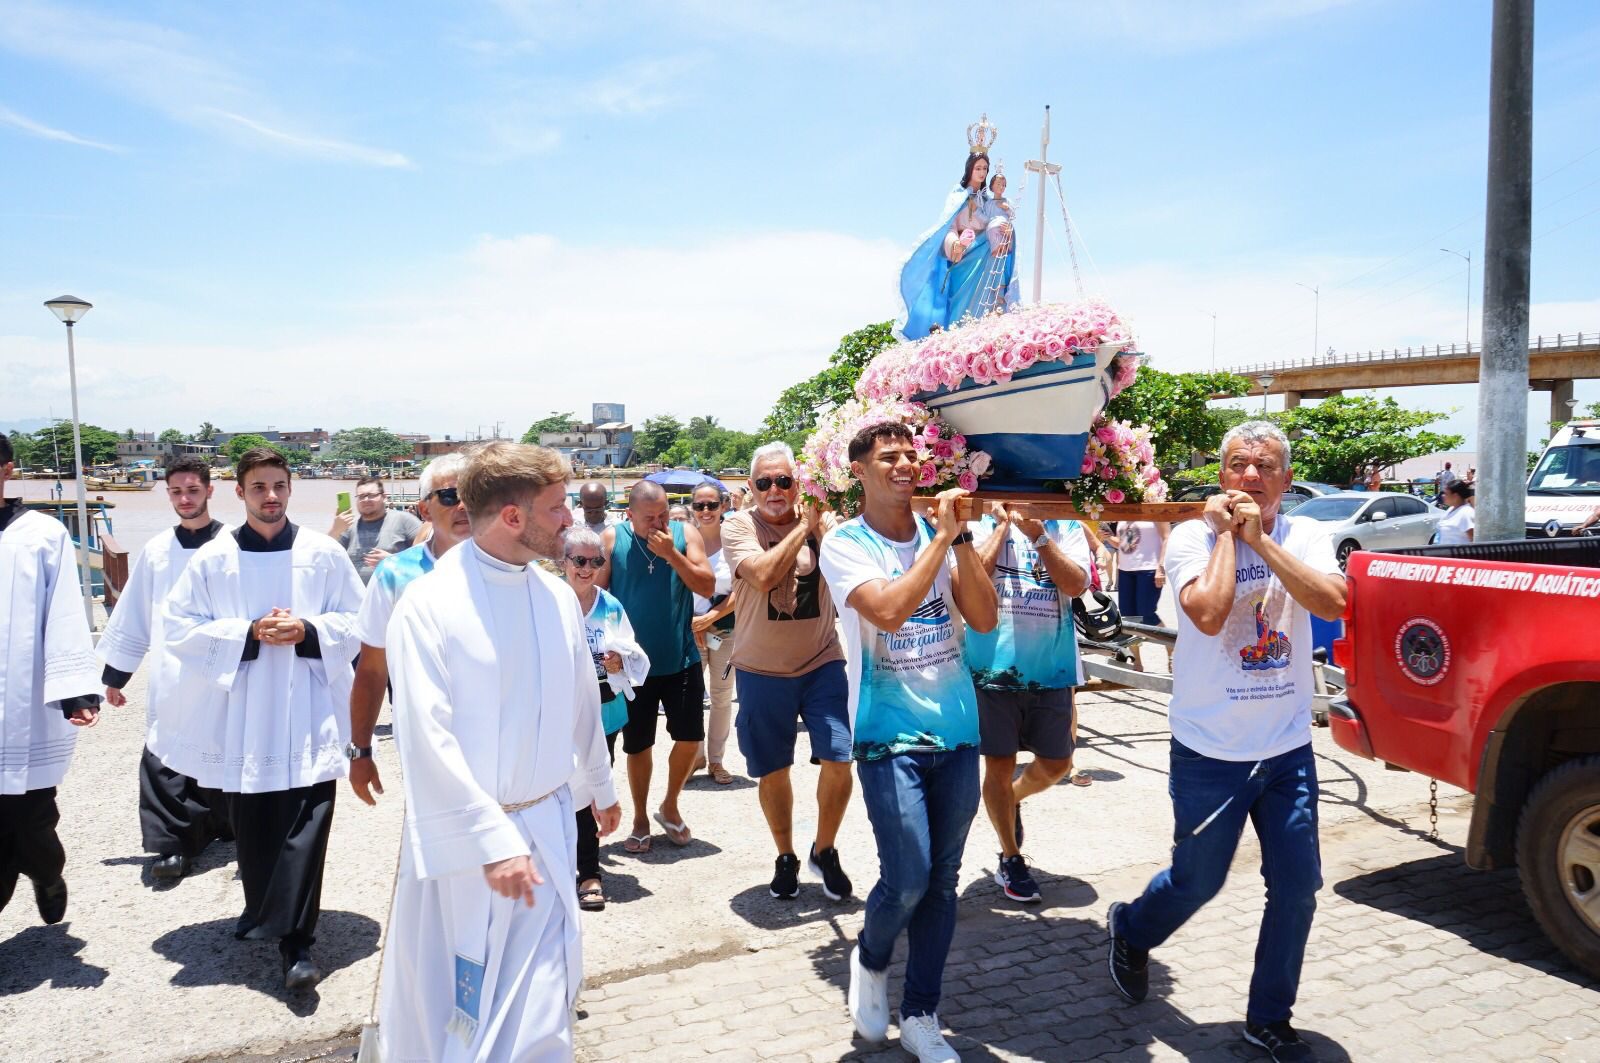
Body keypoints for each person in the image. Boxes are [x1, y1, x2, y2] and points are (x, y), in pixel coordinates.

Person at [1107, 421, 1346, 1063]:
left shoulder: (1307, 534)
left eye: (1266, 466)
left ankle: (1269, 1020)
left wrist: (1261, 543)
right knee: (1197, 881)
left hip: (1287, 747)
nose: (1251, 476)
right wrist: (1223, 539)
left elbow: (1332, 602)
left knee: (1297, 887)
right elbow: (1209, 616)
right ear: (1221, 476)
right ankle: (1131, 927)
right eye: (1239, 463)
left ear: (1285, 480)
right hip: (1210, 749)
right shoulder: (1189, 537)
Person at [378, 442, 621, 1059]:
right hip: (470, 850)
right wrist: (490, 840)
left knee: (541, 1005)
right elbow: (424, 737)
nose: (571, 521)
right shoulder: (426, 608)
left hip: (545, 824)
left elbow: (580, 703)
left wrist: (599, 784)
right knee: (454, 1011)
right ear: (513, 517)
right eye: (558, 508)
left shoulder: (555, 596)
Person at [819, 421, 998, 1063]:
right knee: (909, 876)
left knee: (943, 881)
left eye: (909, 456)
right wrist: (941, 541)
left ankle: (922, 1014)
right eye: (887, 457)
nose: (903, 465)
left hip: (957, 728)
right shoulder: (845, 544)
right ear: (859, 472)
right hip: (885, 732)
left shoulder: (944, 536)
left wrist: (964, 540)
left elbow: (983, 618)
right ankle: (870, 957)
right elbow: (890, 609)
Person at [165, 447, 365, 990]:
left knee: (308, 821)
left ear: (290, 489)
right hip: (246, 714)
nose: (270, 497)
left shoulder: (324, 554)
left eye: (278, 485)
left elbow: (360, 619)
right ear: (240, 492)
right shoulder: (212, 558)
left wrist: (310, 630)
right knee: (254, 828)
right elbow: (178, 628)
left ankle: (298, 942)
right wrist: (245, 632)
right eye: (259, 488)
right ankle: (264, 914)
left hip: (309, 710)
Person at [722, 443, 854, 902]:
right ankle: (786, 855)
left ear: (799, 482)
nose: (774, 490)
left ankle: (826, 848)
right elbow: (759, 574)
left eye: (784, 480)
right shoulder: (739, 524)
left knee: (840, 758)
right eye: (764, 482)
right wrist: (804, 526)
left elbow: (851, 553)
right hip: (761, 668)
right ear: (753, 487)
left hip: (821, 660)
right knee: (773, 769)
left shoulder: (823, 520)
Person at [97, 455, 231, 882]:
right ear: (167, 494)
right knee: (164, 754)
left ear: (210, 491)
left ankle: (223, 825)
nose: (185, 499)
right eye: (176, 492)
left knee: (225, 751)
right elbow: (135, 613)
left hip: (224, 672)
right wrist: (116, 677)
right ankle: (171, 845)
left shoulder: (236, 544)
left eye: (193, 490)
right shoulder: (157, 551)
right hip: (172, 674)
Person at [967, 501, 1092, 904]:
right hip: (992, 666)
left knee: (1059, 764)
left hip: (1050, 667)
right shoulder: (979, 520)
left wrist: (1039, 536)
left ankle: (1012, 800)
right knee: (998, 765)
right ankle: (1011, 856)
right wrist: (1002, 529)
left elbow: (1076, 585)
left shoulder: (1064, 522)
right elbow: (969, 579)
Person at [0, 434, 101, 927]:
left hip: (20, 703)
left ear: (7, 470)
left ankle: (46, 874)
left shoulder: (39, 534)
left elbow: (64, 613)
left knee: (30, 818)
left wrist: (75, 691)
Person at [346, 454, 471, 807]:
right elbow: (371, 670)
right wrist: (360, 750)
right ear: (425, 510)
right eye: (449, 496)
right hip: (424, 740)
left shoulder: (513, 571)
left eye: (473, 495)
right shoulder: (394, 575)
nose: (463, 505)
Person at [597, 481, 714, 852]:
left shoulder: (684, 533)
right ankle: (641, 818)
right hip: (632, 666)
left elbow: (707, 585)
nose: (659, 522)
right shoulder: (613, 540)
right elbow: (595, 601)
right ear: (629, 514)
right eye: (649, 518)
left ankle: (670, 805)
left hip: (680, 657)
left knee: (691, 738)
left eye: (663, 514)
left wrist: (672, 555)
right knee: (638, 746)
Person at [563, 526, 648, 913]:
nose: (587, 569)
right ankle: (567, 864)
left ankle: (589, 872)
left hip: (605, 710)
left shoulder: (610, 606)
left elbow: (633, 654)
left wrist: (619, 661)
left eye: (596, 562)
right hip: (560, 713)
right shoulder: (549, 602)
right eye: (579, 560)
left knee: (594, 789)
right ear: (562, 561)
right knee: (563, 787)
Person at [895, 115, 1017, 341]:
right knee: (961, 312)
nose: (982, 172)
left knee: (986, 312)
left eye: (985, 168)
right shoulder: (958, 196)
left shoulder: (989, 202)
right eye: (978, 167)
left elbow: (998, 224)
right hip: (963, 260)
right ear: (970, 168)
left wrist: (1006, 230)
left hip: (985, 261)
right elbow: (948, 228)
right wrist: (956, 245)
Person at [688, 483, 737, 785]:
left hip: (724, 629)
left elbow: (744, 589)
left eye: (712, 505)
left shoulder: (733, 542)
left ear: (723, 506)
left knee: (721, 698)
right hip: (690, 632)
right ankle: (693, 757)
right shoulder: (683, 542)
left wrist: (710, 618)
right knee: (689, 699)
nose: (706, 511)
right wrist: (692, 624)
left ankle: (716, 759)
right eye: (700, 506)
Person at [329, 476, 422, 584]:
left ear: (384, 497)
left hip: (395, 596)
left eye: (371, 495)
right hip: (359, 598)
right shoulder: (349, 528)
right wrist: (335, 530)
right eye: (361, 496)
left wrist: (394, 561)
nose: (366, 500)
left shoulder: (404, 520)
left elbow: (431, 556)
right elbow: (323, 556)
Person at [1116, 520, 1169, 672]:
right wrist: (1107, 539)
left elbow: (1167, 538)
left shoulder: (1153, 508)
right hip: (1125, 570)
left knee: (1146, 614)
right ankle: (1137, 662)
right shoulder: (1123, 512)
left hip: (1149, 568)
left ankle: (1170, 647)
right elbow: (1124, 544)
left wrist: (1161, 567)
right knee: (1128, 618)